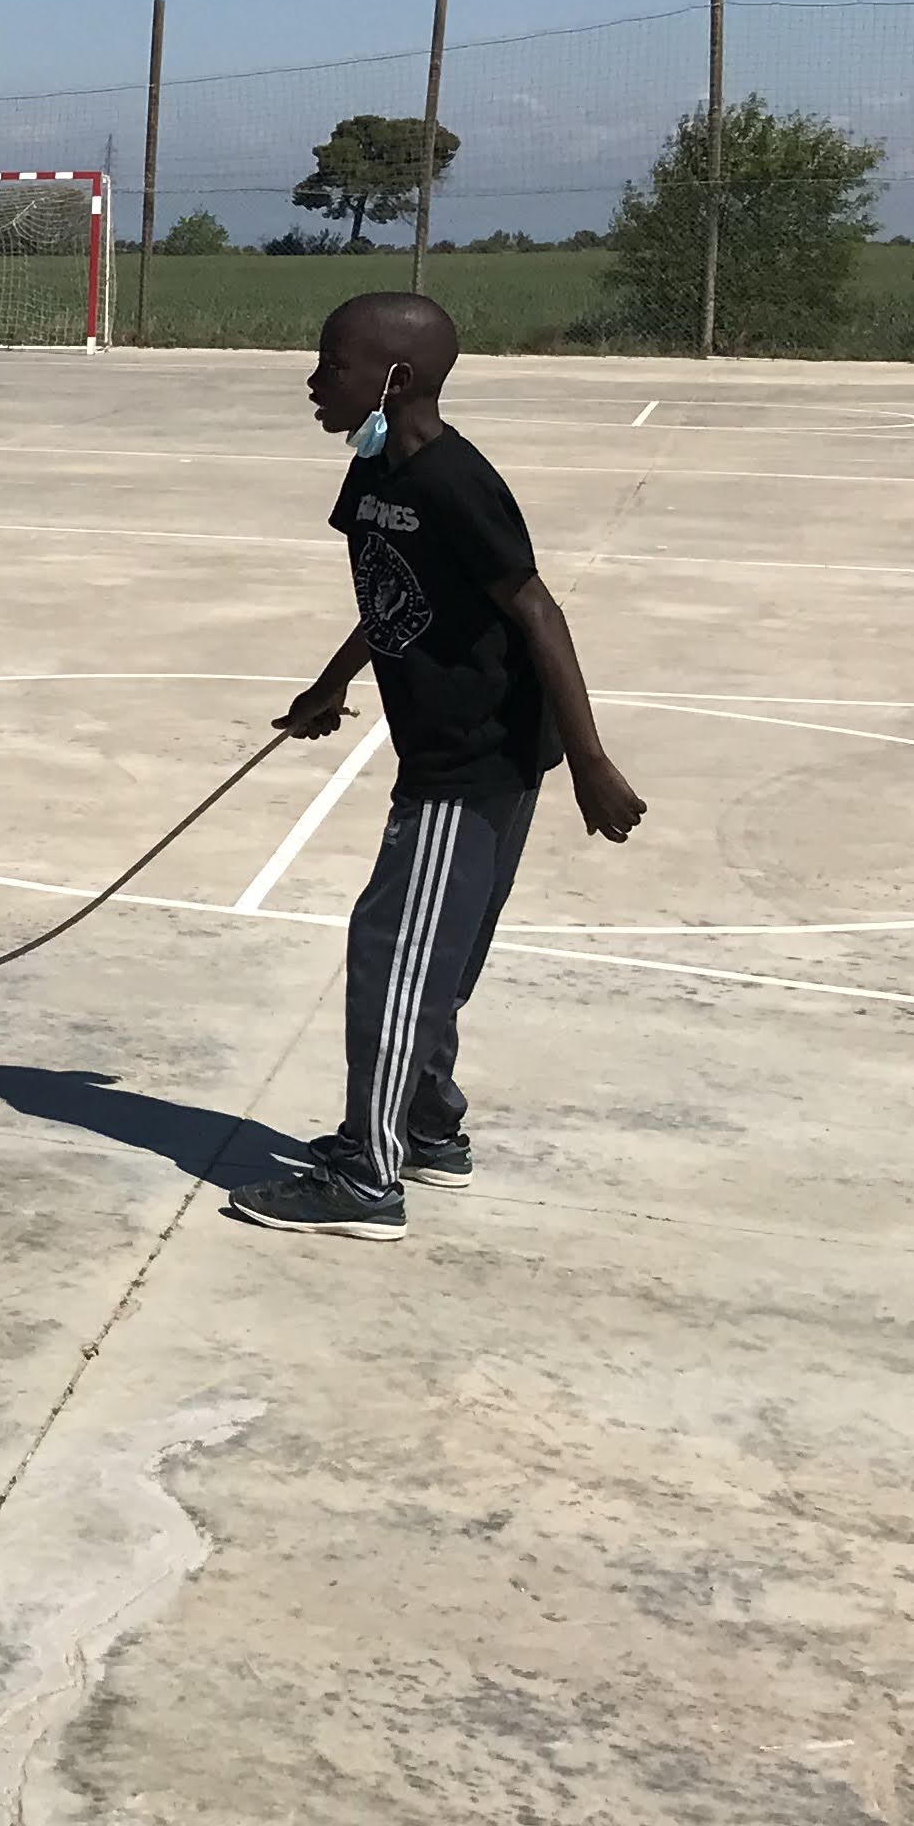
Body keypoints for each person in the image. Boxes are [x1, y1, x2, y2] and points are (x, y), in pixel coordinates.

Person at [227, 289, 645, 1240]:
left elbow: (537, 610)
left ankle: (366, 1180)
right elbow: (392, 591)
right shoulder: (374, 471)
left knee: (395, 956)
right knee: (430, 951)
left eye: (334, 364)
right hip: (448, 750)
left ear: (396, 378)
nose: (314, 381)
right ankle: (425, 1127)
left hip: (475, 758)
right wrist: (331, 683)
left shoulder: (456, 482)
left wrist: (591, 762)